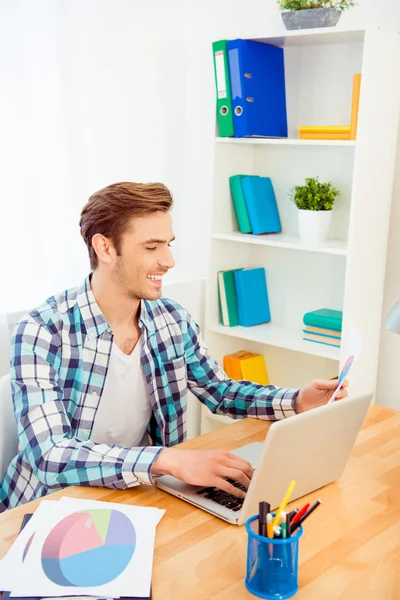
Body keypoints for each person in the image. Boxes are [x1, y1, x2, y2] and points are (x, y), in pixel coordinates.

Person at [0, 182, 348, 512]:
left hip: (136, 491)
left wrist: (296, 400)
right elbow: (50, 455)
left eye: (169, 243)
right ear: (104, 248)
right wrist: (166, 460)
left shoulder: (171, 318)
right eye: (152, 247)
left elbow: (220, 391)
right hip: (49, 505)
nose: (169, 261)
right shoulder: (42, 331)